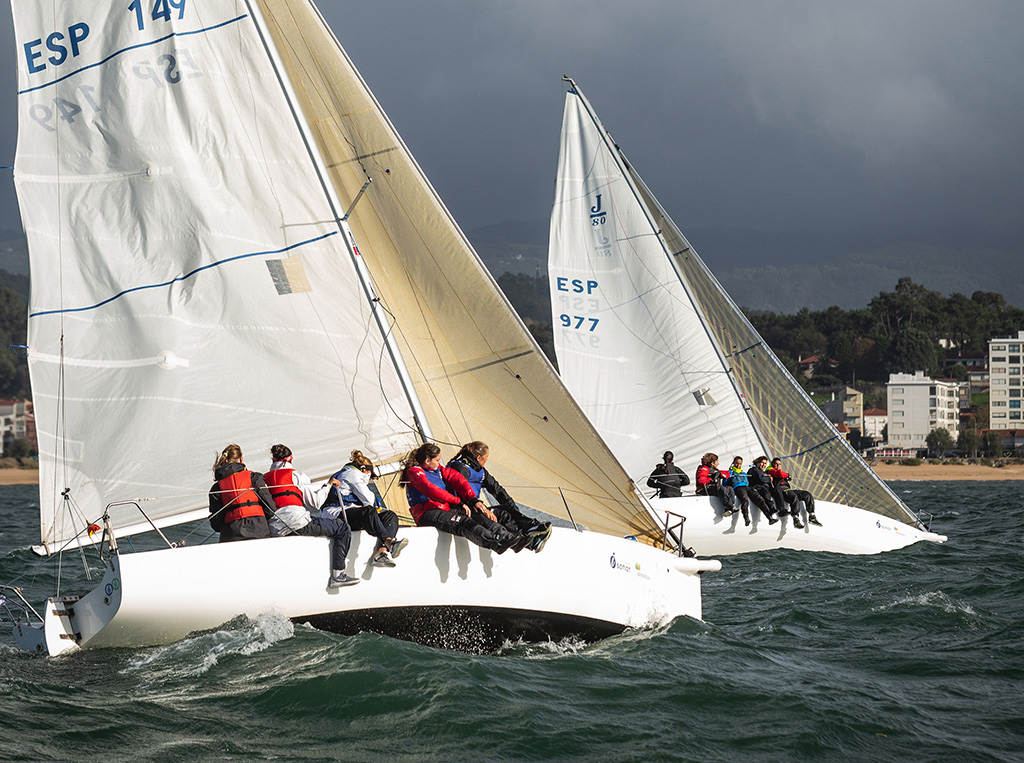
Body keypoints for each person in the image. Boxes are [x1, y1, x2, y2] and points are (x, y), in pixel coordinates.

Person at [264, 444, 359, 588]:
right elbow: (316, 503)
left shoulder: (264, 479)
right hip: (297, 523)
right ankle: (338, 575)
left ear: (273, 460)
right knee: (342, 527)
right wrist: (328, 486)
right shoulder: (296, 476)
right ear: (290, 459)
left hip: (275, 529)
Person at [402, 442, 524, 553]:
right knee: (463, 522)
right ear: (428, 461)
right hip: (427, 513)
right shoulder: (414, 472)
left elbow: (457, 479)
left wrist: (473, 499)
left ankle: (510, 538)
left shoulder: (438, 469)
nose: (440, 463)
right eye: (437, 460)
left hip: (444, 510)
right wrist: (458, 502)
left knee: (476, 514)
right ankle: (494, 542)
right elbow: (431, 490)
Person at [446, 441, 552, 553]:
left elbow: (496, 489)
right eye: (486, 457)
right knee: (493, 519)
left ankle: (531, 531)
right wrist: (484, 509)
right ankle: (527, 539)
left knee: (506, 512)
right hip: (462, 508)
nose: (487, 460)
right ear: (478, 458)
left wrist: (514, 510)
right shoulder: (460, 468)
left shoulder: (479, 470)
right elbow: (460, 492)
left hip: (477, 506)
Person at [321, 450, 408, 568]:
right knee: (369, 511)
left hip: (351, 513)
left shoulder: (351, 473)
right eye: (370, 475)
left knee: (390, 515)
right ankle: (389, 542)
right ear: (364, 470)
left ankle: (382, 552)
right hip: (337, 514)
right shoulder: (352, 474)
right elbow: (368, 500)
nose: (370, 479)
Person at [208, 444, 275, 543]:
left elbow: (216, 524)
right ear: (241, 459)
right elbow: (270, 508)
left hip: (231, 533)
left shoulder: (216, 488)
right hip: (258, 530)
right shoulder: (254, 478)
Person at [767, 457, 822, 529]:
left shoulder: (781, 473)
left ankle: (812, 515)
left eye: (779, 464)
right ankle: (795, 519)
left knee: (807, 494)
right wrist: (787, 475)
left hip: (788, 490)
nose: (778, 466)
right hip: (781, 490)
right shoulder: (771, 471)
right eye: (776, 464)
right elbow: (779, 474)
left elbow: (782, 474)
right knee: (793, 497)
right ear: (773, 465)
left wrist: (787, 476)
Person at [723, 455, 777, 526]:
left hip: (747, 487)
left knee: (759, 499)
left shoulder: (744, 473)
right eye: (736, 463)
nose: (738, 465)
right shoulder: (730, 472)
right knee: (745, 499)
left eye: (740, 463)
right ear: (733, 463)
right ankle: (746, 518)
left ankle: (769, 518)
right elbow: (725, 483)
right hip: (738, 487)